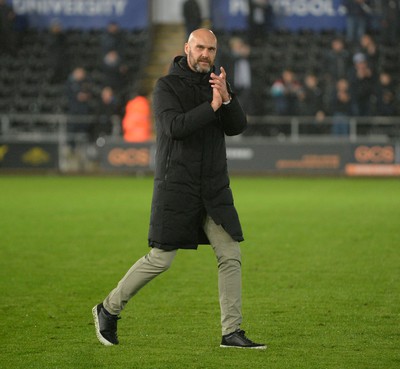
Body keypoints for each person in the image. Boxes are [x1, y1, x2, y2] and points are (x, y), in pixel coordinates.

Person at [92, 28, 266, 350]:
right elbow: (175, 128)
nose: (205, 54)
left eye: (211, 49)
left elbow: (237, 127)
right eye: (200, 47)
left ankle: (231, 332)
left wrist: (227, 98)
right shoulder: (165, 87)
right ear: (186, 48)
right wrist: (212, 106)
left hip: (213, 186)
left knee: (230, 253)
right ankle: (108, 308)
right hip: (177, 185)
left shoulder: (217, 85)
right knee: (161, 258)